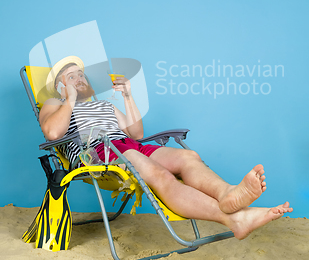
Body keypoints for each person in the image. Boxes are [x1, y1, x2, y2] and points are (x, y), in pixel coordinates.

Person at [40, 56, 293, 240]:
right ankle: (234, 218)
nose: (79, 79)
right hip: (97, 152)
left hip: (127, 145)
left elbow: (136, 134)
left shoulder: (104, 105)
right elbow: (52, 133)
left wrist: (128, 96)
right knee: (161, 175)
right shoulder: (54, 104)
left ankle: (228, 193)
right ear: (60, 86)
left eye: (81, 74)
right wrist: (69, 100)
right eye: (71, 77)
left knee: (188, 156)